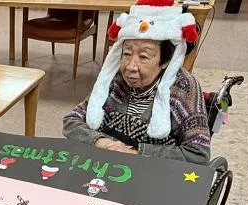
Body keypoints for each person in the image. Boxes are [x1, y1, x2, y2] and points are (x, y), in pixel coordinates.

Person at [63, 0, 210, 165]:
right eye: (126, 53)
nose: (130, 67)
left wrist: (137, 153)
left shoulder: (183, 87)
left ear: (166, 61)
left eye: (143, 56)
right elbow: (71, 121)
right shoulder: (114, 77)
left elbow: (198, 154)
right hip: (106, 162)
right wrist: (102, 142)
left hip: (152, 168)